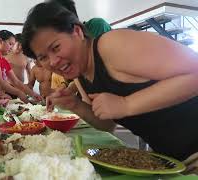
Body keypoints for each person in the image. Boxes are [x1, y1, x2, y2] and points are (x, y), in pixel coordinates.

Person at [22, 1, 198, 166]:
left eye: (56, 47)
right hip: (173, 160)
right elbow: (107, 124)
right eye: (43, 57)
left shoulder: (110, 45)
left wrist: (127, 104)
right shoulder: (80, 75)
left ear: (77, 32)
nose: (52, 62)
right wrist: (75, 105)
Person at [0, 30, 41, 103]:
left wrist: (33, 94)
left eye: (12, 45)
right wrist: (19, 92)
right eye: (10, 44)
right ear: (0, 41)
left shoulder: (3, 60)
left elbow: (16, 82)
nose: (11, 47)